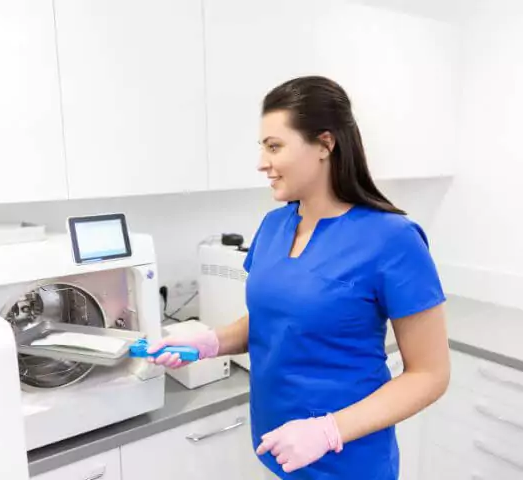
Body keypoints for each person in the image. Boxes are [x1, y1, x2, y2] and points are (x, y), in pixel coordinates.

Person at [147, 76, 450, 479]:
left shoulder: (392, 239)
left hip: (349, 463)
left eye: (274, 146)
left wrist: (329, 430)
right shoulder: (273, 226)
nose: (261, 162)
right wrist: (211, 340)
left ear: (325, 144)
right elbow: (276, 319)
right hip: (276, 449)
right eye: (262, 147)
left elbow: (430, 375)